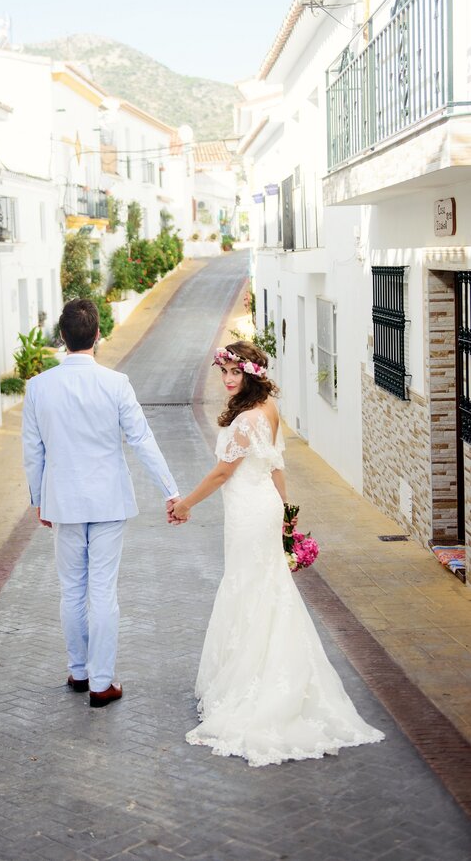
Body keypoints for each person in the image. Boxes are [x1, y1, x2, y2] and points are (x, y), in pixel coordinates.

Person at [168, 340, 384, 765]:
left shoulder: (248, 419)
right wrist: (286, 515)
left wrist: (186, 503)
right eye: (224, 372)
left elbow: (223, 471)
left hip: (250, 512)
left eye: (235, 372)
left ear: (252, 374)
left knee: (249, 586)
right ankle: (270, 671)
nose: (228, 379)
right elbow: (277, 465)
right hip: (263, 507)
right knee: (267, 587)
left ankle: (253, 682)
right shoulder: (268, 410)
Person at [22, 298, 183, 708]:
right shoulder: (116, 384)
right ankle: (101, 682)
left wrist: (39, 499)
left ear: (62, 337)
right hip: (109, 500)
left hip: (63, 502)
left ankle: (79, 673)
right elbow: (142, 440)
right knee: (102, 592)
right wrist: (170, 489)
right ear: (97, 335)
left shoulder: (39, 387)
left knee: (71, 589)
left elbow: (32, 450)